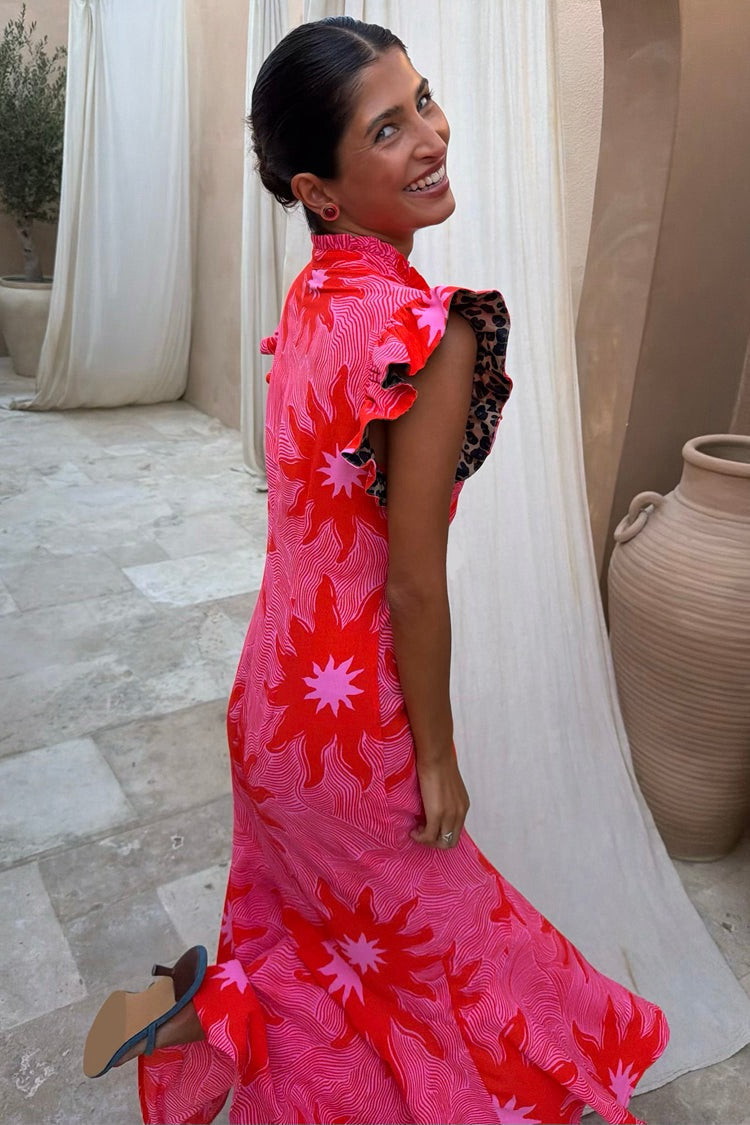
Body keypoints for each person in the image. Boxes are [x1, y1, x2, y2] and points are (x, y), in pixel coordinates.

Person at [83, 17, 669, 1125]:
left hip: (271, 704)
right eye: (388, 129)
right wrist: (436, 756)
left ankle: (200, 1017)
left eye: (424, 101)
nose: (431, 137)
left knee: (324, 951)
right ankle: (217, 1024)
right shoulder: (427, 334)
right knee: (450, 956)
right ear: (319, 190)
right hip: (354, 734)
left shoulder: (312, 300)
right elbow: (412, 583)